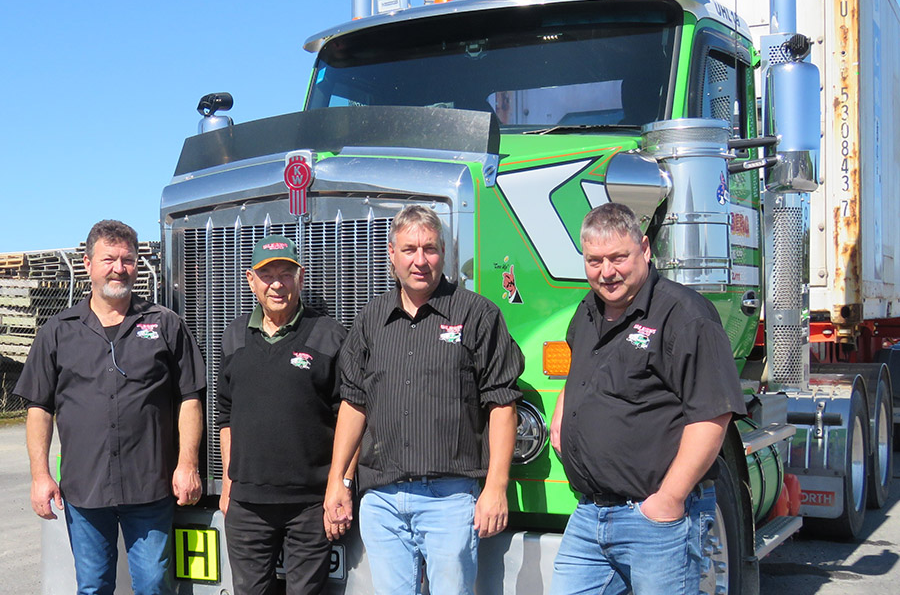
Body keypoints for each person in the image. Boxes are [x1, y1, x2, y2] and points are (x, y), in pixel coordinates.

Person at [324, 204, 523, 595]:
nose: (420, 260)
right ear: (391, 255)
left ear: (444, 253)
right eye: (410, 249)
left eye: (430, 249)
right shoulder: (370, 321)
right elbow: (353, 405)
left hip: (450, 501)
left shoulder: (478, 315)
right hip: (381, 501)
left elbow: (503, 404)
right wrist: (337, 483)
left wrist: (497, 487)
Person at [548, 203, 746, 595]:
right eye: (595, 260)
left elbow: (712, 415)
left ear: (644, 248)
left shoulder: (686, 315)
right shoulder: (586, 311)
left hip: (655, 519)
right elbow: (581, 373)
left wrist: (668, 500)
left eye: (619, 257)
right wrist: (562, 418)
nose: (607, 272)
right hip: (590, 514)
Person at [16, 220, 205, 595]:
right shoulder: (58, 331)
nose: (119, 267)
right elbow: (39, 407)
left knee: (153, 584)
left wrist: (187, 464)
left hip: (150, 485)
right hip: (85, 488)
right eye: (109, 259)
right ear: (87, 263)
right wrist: (40, 476)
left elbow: (190, 398)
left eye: (128, 260)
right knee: (93, 586)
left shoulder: (165, 325)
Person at [216, 235, 346, 595]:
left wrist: (341, 485)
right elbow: (225, 416)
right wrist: (228, 486)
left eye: (286, 274)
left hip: (309, 506)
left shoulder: (329, 335)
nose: (277, 283)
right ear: (250, 280)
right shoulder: (234, 337)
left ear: (300, 276)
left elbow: (350, 418)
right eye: (267, 274)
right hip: (246, 508)